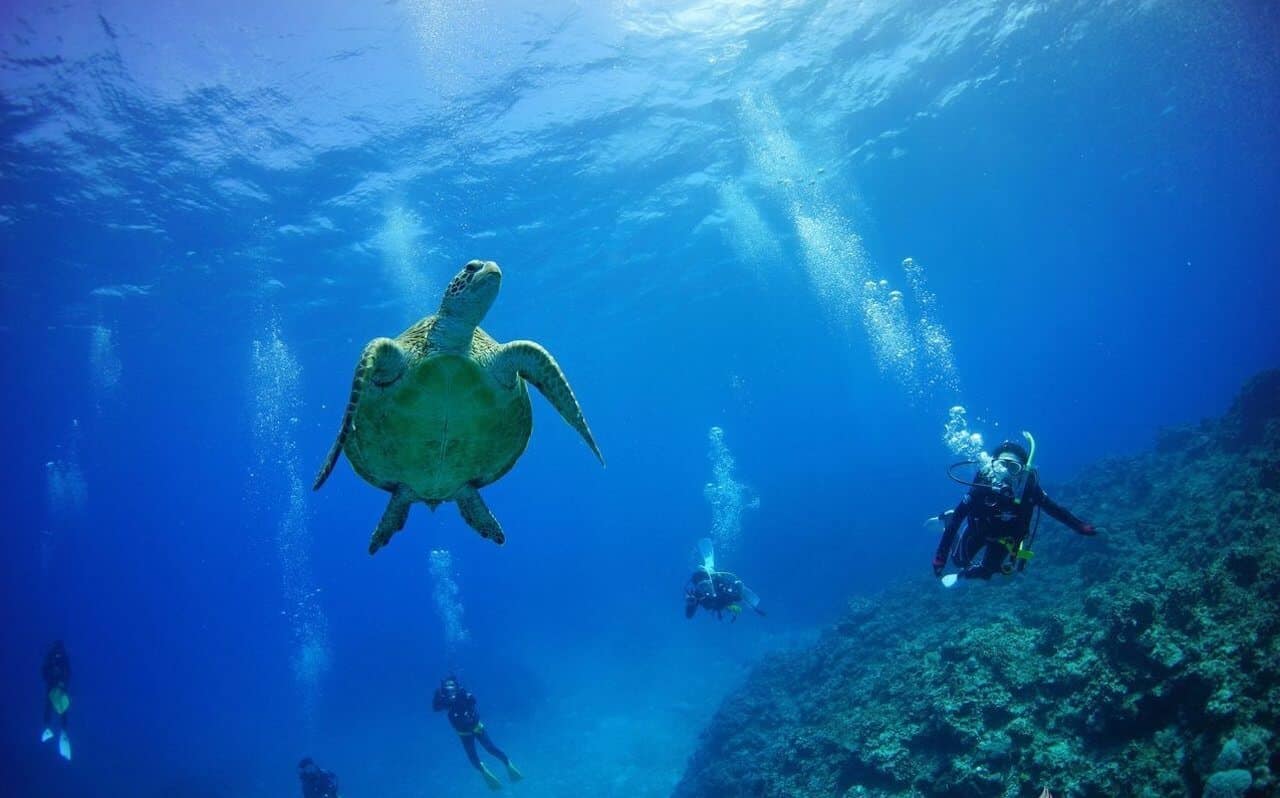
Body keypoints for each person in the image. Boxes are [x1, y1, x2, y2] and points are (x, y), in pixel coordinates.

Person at [933, 438, 1096, 585]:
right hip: (979, 531)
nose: (1005, 473)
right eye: (1001, 465)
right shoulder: (982, 488)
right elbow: (958, 518)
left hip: (1006, 540)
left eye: (1013, 467)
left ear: (1023, 471)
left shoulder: (1029, 490)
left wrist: (1081, 527)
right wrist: (940, 558)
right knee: (958, 561)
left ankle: (969, 574)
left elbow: (1055, 510)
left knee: (987, 573)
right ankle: (947, 519)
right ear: (993, 466)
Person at [432, 676, 523, 791]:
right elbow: (437, 708)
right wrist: (440, 697)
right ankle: (494, 766)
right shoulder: (450, 698)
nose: (451, 691)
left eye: (452, 688)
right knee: (482, 753)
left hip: (471, 730)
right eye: (448, 689)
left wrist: (461, 696)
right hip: (469, 730)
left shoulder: (457, 695)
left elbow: (472, 701)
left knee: (482, 752)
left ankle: (497, 765)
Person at [684, 538, 766, 620]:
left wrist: (739, 590)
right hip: (719, 607)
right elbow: (689, 616)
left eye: (706, 584)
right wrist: (691, 604)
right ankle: (709, 566)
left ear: (711, 582)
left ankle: (710, 567)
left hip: (723, 603)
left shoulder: (721, 585)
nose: (705, 589)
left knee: (731, 596)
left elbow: (738, 597)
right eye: (701, 586)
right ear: (698, 588)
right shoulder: (697, 595)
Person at [40, 640, 72, 761]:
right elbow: (44, 671)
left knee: (60, 707)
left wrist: (61, 680)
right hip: (54, 685)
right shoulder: (55, 658)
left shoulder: (59, 658)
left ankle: (59, 730)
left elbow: (68, 673)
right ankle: (53, 729)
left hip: (58, 685)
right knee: (56, 706)